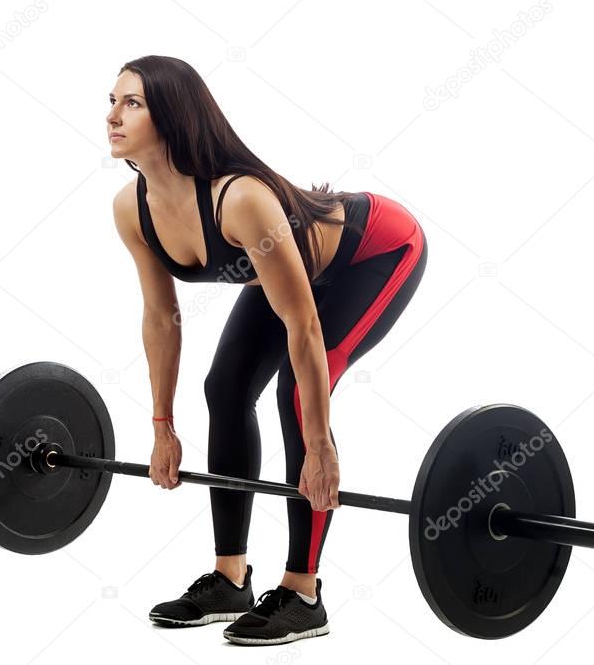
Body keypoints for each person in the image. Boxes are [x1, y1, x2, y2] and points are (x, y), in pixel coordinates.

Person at [107, 55, 428, 646]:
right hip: (286, 272)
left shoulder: (240, 199)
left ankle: (303, 592)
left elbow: (303, 325)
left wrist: (320, 445)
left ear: (173, 117)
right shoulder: (133, 209)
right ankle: (232, 580)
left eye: (133, 103)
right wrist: (161, 425)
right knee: (224, 388)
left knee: (296, 392)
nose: (112, 116)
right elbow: (160, 317)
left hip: (375, 251)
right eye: (112, 101)